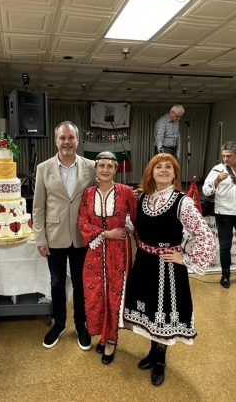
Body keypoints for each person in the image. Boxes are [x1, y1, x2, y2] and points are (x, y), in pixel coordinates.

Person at [123, 153, 216, 386]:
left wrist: (186, 258)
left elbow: (204, 234)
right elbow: (136, 227)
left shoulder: (182, 202)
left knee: (163, 313)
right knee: (151, 311)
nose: (163, 170)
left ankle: (161, 360)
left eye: (168, 167)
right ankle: (152, 352)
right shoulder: (143, 198)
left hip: (167, 268)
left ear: (175, 174)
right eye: (158, 167)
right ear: (151, 173)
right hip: (144, 264)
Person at [33, 121, 96, 350]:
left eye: (71, 138)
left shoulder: (92, 166)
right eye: (62, 138)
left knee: (81, 283)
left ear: (78, 140)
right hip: (54, 236)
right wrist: (40, 238)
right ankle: (59, 323)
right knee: (57, 282)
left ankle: (81, 324)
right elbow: (38, 207)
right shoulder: (43, 168)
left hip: (82, 236)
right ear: (56, 141)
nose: (67, 142)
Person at [78, 151, 137, 364]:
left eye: (109, 166)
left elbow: (136, 220)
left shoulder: (126, 192)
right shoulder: (88, 194)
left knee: (114, 294)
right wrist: (105, 233)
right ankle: (102, 333)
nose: (105, 170)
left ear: (115, 169)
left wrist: (140, 244)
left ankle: (111, 339)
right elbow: (82, 222)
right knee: (96, 293)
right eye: (101, 165)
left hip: (118, 252)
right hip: (95, 251)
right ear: (95, 169)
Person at [202, 141, 236, 288]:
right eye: (223, 156)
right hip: (223, 213)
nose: (225, 159)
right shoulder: (217, 169)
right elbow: (206, 191)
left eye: (229, 156)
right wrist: (216, 181)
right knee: (225, 246)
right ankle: (225, 275)